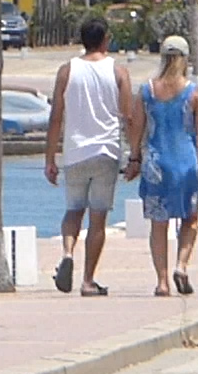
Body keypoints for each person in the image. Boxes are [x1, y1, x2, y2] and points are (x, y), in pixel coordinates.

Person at [44, 16, 134, 297]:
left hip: (75, 151)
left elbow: (56, 117)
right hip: (106, 151)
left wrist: (50, 158)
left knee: (73, 210)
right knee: (98, 218)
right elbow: (128, 117)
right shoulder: (119, 73)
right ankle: (88, 280)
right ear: (106, 39)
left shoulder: (67, 71)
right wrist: (135, 156)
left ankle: (68, 254)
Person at [129, 35, 198, 297]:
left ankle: (162, 282)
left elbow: (136, 126)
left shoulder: (147, 91)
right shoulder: (193, 94)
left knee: (159, 223)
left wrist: (134, 158)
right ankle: (181, 265)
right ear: (185, 59)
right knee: (189, 219)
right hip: (186, 163)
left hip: (157, 165)